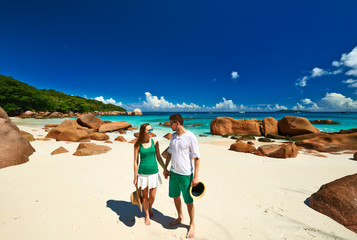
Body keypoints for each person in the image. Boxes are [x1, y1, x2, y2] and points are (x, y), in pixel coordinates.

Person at [163, 114, 200, 238]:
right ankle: (179, 217)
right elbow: (169, 153)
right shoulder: (173, 136)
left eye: (171, 123)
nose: (170, 125)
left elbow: (197, 157)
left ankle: (192, 223)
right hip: (173, 173)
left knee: (188, 201)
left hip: (185, 175)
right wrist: (165, 168)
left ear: (177, 123)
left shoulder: (190, 137)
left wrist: (196, 177)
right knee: (175, 196)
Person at [134, 123, 165, 225]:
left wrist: (165, 168)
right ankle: (147, 214)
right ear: (143, 132)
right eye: (149, 130)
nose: (151, 131)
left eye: (151, 129)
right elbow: (135, 161)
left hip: (154, 174)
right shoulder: (137, 145)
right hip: (142, 174)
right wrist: (135, 177)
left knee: (152, 196)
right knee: (144, 196)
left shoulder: (155, 142)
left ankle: (150, 206)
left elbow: (159, 157)